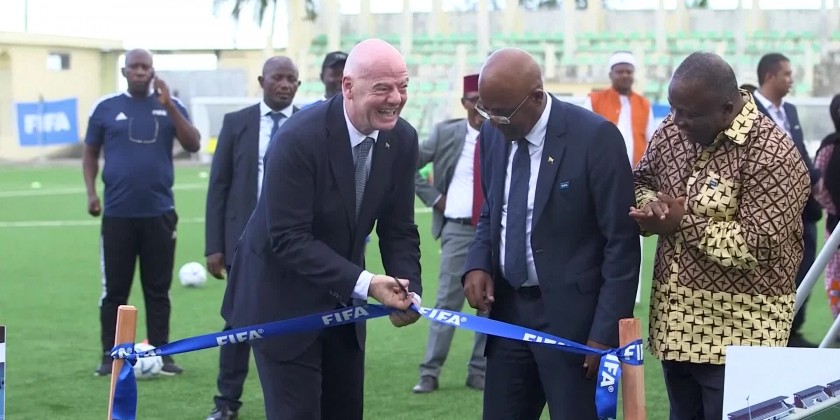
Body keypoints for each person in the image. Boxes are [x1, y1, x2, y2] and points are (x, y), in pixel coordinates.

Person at [219, 38, 422, 420]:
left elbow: (398, 227)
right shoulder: (297, 138)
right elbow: (288, 239)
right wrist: (367, 283)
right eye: (382, 88)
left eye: (403, 86)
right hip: (281, 301)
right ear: (348, 86)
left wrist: (407, 287)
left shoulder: (403, 138)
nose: (396, 98)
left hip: (344, 307)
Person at [462, 48, 641, 419]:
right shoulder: (494, 134)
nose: (493, 121)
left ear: (536, 97)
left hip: (574, 325)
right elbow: (493, 209)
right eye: (486, 110)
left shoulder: (595, 138)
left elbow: (621, 244)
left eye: (502, 112)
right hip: (508, 315)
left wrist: (604, 332)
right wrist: (478, 262)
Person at [631, 52, 810, 420]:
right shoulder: (672, 130)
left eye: (689, 113)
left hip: (741, 333)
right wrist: (652, 208)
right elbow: (641, 180)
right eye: (673, 108)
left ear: (727, 108)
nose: (677, 121)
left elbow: (758, 244)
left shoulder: (773, 153)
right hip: (675, 327)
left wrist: (681, 222)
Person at [83, 48, 201, 376]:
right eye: (133, 67)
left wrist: (169, 106)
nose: (139, 72)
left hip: (160, 214)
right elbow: (90, 153)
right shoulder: (106, 108)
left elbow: (193, 144)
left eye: (144, 67)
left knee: (158, 290)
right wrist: (92, 193)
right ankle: (110, 356)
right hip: (118, 215)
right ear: (124, 71)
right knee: (115, 291)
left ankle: (163, 355)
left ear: (153, 71)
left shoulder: (170, 105)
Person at [203, 56, 301, 420]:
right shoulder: (236, 123)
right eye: (278, 78)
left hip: (295, 243)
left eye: (291, 79)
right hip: (244, 244)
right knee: (238, 322)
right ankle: (226, 402)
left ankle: (294, 401)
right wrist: (215, 246)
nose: (285, 85)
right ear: (262, 81)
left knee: (296, 323)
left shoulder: (309, 123)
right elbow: (218, 187)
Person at [412, 74, 487, 394]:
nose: (480, 108)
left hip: (493, 231)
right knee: (447, 302)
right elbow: (409, 164)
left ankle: (479, 370)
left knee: (489, 302)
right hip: (458, 229)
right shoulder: (446, 133)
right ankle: (430, 372)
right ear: (464, 103)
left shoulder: (504, 135)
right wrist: (434, 198)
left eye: (485, 102)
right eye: (474, 101)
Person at [753, 52, 822, 347]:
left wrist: (816, 178)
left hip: (803, 209)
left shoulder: (790, 111)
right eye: (787, 74)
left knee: (806, 267)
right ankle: (770, 332)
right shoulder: (750, 110)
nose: (791, 80)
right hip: (768, 210)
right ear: (770, 76)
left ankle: (793, 330)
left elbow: (801, 152)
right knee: (771, 271)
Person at [582, 50, 657, 303]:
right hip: (599, 179)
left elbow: (651, 142)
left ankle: (631, 294)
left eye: (629, 71)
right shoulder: (594, 100)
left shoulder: (643, 104)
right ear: (611, 74)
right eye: (620, 71)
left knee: (633, 234)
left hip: (634, 181)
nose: (625, 75)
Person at [813, 94, 840, 336]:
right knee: (836, 276)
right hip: (836, 226)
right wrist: (834, 210)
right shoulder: (830, 146)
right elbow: (819, 188)